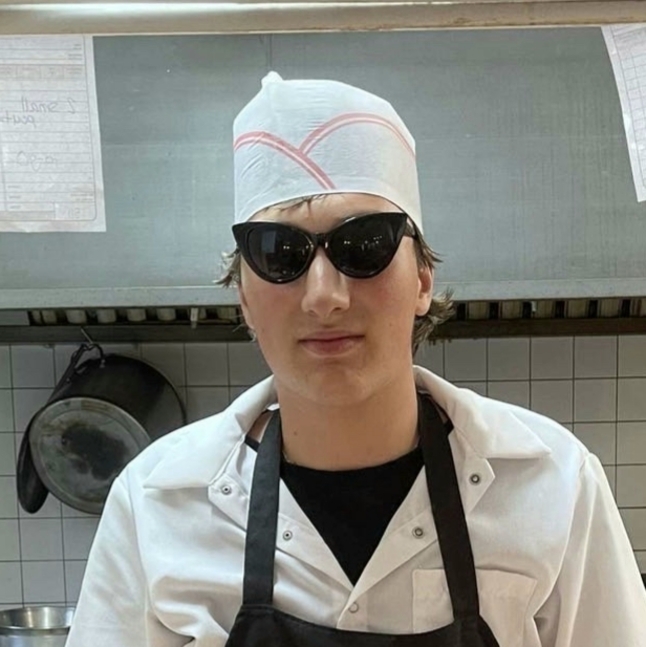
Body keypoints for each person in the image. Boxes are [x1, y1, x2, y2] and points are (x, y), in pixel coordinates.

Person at [65, 71, 646, 647]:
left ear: (422, 280)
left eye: (364, 245)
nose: (324, 296)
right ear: (244, 296)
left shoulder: (554, 486)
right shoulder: (155, 505)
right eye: (279, 253)